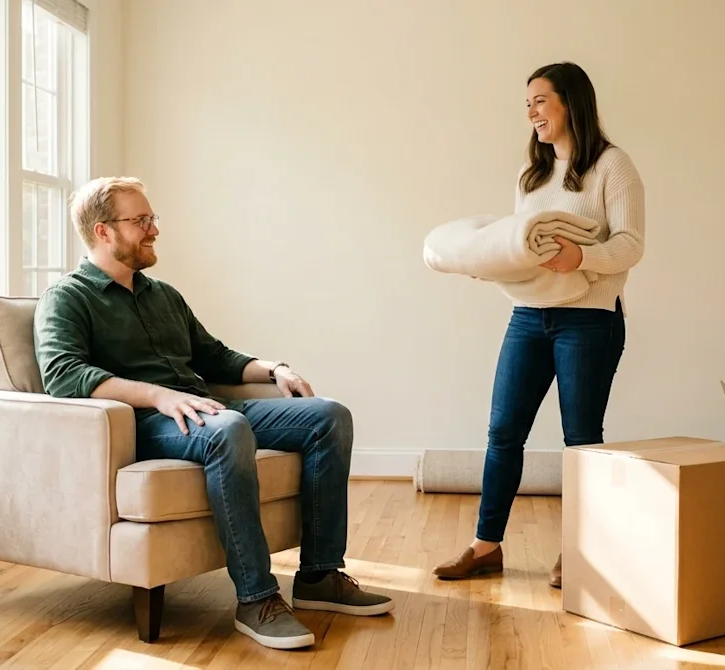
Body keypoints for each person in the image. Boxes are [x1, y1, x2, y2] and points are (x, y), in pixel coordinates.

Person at [33, 176, 393, 651]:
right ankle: (256, 599)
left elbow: (213, 355)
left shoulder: (163, 295)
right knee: (229, 429)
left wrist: (274, 369)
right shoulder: (68, 297)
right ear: (103, 231)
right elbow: (63, 374)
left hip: (207, 407)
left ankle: (320, 576)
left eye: (152, 218)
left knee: (328, 416)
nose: (153, 229)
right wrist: (158, 397)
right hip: (145, 423)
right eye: (140, 220)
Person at [432, 62, 644, 587]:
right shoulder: (533, 176)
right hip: (528, 318)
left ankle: (579, 552)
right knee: (503, 432)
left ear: (571, 103)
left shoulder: (614, 167)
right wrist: (492, 263)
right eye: (527, 103)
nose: (531, 112)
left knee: (581, 439)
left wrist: (582, 258)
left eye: (541, 100)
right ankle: (486, 547)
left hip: (590, 321)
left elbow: (630, 244)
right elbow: (520, 247)